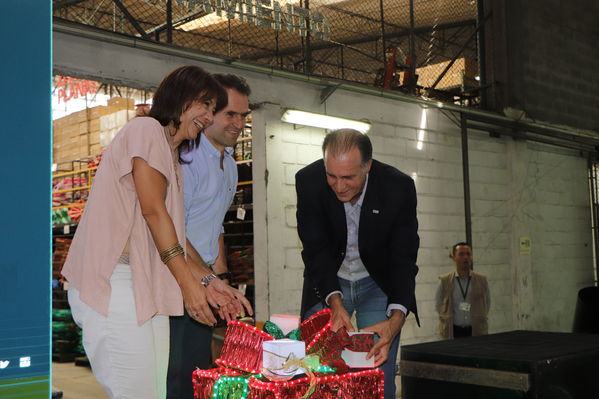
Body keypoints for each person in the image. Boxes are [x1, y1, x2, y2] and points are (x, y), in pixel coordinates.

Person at [62, 66, 253, 399]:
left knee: (153, 391)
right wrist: (189, 286)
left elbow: (175, 235)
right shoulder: (146, 129)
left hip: (142, 282)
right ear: (181, 98)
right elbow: (154, 213)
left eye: (212, 108)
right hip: (113, 280)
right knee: (134, 391)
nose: (208, 116)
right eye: (205, 105)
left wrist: (209, 282)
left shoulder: (172, 156)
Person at [295, 128, 419, 399]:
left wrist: (396, 319)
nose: (339, 186)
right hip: (330, 280)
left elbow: (403, 256)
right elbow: (316, 250)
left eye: (348, 177)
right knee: (315, 372)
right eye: (332, 176)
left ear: (368, 167)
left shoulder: (397, 187)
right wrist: (335, 304)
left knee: (375, 374)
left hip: (377, 282)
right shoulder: (308, 181)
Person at [167, 74, 251, 399]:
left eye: (244, 115)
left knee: (199, 371)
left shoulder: (229, 165)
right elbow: (173, 229)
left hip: (205, 285)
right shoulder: (186, 158)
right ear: (209, 110)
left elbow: (215, 228)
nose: (239, 123)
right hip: (177, 281)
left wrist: (223, 279)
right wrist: (205, 281)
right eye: (231, 113)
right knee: (177, 373)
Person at [435, 242, 490, 339]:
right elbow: (439, 305)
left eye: (468, 254)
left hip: (476, 331)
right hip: (452, 332)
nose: (466, 257)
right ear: (454, 258)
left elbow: (487, 304)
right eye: (461, 254)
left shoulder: (482, 280)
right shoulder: (445, 281)